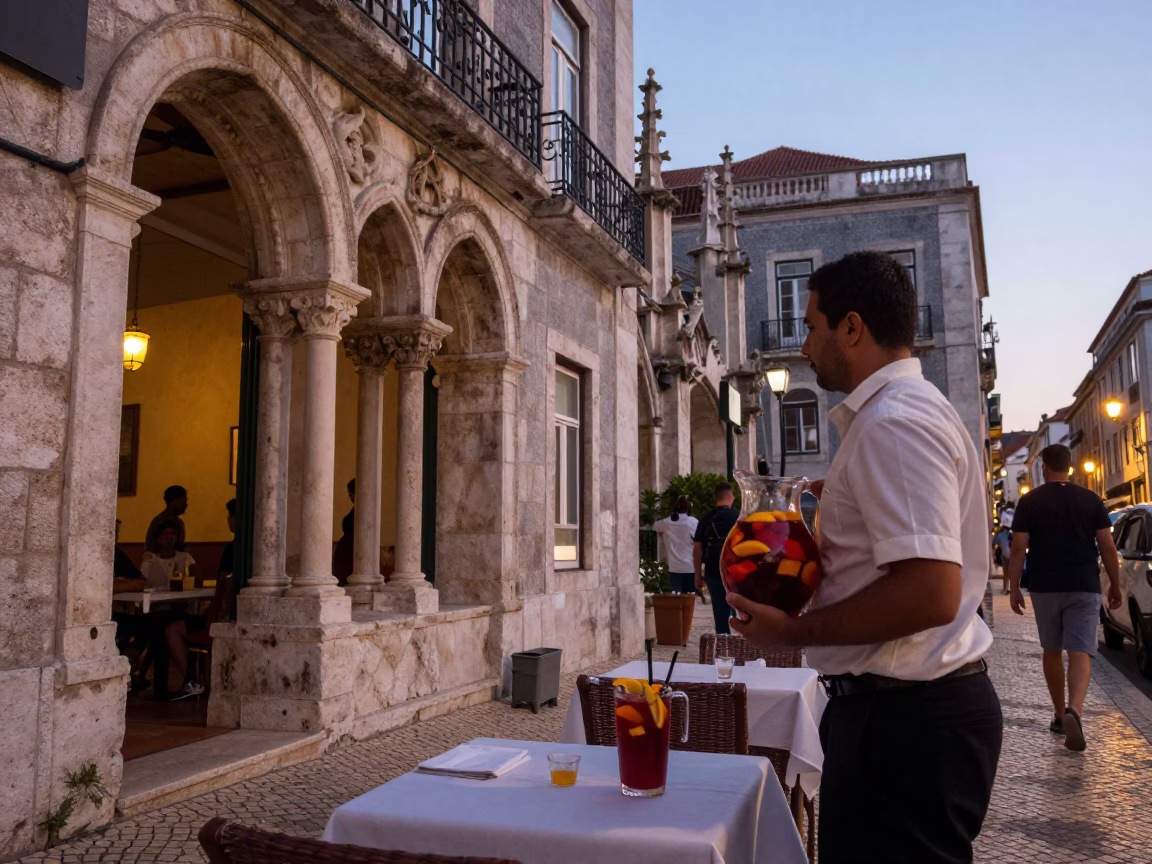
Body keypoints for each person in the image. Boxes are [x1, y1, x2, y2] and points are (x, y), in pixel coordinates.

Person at [725, 251, 1002, 864]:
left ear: (851, 329)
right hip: (906, 715)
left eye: (812, 324)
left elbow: (930, 592)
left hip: (905, 723)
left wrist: (794, 632)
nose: (803, 347)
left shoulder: (892, 424)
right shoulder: (905, 415)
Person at [1007, 444, 1121, 751]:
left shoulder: (1029, 502)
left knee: (1052, 650)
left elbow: (1018, 548)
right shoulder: (1090, 499)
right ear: (1070, 468)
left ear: (1044, 467)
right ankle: (1076, 710)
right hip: (1084, 584)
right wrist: (1115, 584)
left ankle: (1059, 715)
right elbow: (1108, 547)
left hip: (1045, 586)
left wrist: (1014, 585)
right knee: (1080, 650)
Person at [165, 498, 236, 700]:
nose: (228, 521)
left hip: (221, 619)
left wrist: (212, 613)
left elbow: (221, 583)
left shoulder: (232, 548)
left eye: (230, 516)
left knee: (171, 629)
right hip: (232, 616)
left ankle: (193, 681)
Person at [693, 482, 739, 634]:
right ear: (731, 497)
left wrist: (698, 575)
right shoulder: (738, 517)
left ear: (715, 497)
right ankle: (742, 650)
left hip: (713, 571)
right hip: (737, 572)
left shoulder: (706, 518)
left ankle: (724, 652)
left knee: (720, 615)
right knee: (742, 613)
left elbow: (697, 548)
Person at [652, 497, 699, 594]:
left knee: (676, 597)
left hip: (674, 567)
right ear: (688, 509)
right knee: (689, 598)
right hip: (690, 566)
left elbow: (655, 526)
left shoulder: (666, 522)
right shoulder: (693, 521)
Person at [145, 485, 188, 555]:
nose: (186, 504)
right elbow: (151, 548)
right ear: (174, 501)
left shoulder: (179, 522)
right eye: (184, 500)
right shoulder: (158, 521)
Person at [333, 478, 355, 585]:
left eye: (351, 493)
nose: (350, 497)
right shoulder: (354, 511)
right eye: (349, 493)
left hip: (353, 553)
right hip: (346, 552)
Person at [992, 525, 1012, 594]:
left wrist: (996, 548)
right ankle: (1009, 588)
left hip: (1004, 555)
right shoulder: (1012, 534)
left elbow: (994, 544)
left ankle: (1005, 589)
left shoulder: (999, 535)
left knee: (1006, 572)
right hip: (1012, 555)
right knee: (1011, 573)